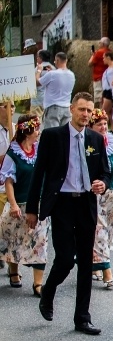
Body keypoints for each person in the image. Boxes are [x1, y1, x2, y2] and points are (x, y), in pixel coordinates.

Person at [26, 92, 110, 335]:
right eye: (81, 109)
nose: (85, 114)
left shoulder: (96, 138)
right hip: (62, 203)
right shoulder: (53, 137)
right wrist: (32, 209)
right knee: (64, 257)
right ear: (72, 109)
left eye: (89, 111)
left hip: (86, 203)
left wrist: (102, 184)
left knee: (86, 261)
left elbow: (104, 172)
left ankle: (82, 318)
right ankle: (48, 290)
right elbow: (38, 174)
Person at [0, 115, 49, 296]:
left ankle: (38, 283)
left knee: (40, 242)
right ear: (27, 131)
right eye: (36, 129)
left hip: (39, 204)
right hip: (19, 204)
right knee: (14, 238)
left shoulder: (40, 150)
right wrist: (13, 205)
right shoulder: (13, 154)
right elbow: (9, 181)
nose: (38, 132)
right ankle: (13, 270)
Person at [88, 109, 113, 289]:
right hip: (96, 194)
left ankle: (94, 263)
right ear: (91, 126)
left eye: (104, 123)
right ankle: (107, 271)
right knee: (99, 230)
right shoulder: (88, 143)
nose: (102, 127)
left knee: (109, 231)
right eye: (98, 124)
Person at [38, 52, 75, 130]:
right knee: (64, 134)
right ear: (66, 61)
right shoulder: (71, 74)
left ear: (57, 60)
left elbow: (37, 82)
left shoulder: (52, 74)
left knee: (52, 134)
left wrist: (39, 70)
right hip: (66, 107)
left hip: (53, 107)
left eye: (55, 61)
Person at [30, 50, 54, 118]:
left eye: (37, 57)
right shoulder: (53, 69)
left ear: (40, 58)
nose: (36, 58)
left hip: (37, 100)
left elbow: (33, 83)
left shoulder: (37, 69)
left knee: (35, 122)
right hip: (49, 100)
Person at [87, 38, 111, 106]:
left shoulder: (99, 52)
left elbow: (90, 64)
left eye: (100, 42)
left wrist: (93, 55)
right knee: (105, 97)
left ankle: (100, 115)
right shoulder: (110, 52)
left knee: (99, 99)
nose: (98, 44)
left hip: (98, 77)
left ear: (103, 44)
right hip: (107, 78)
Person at [101, 51, 113, 130]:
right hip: (105, 91)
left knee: (103, 111)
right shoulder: (107, 69)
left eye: (104, 57)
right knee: (110, 113)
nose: (103, 59)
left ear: (108, 57)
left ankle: (103, 127)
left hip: (111, 91)